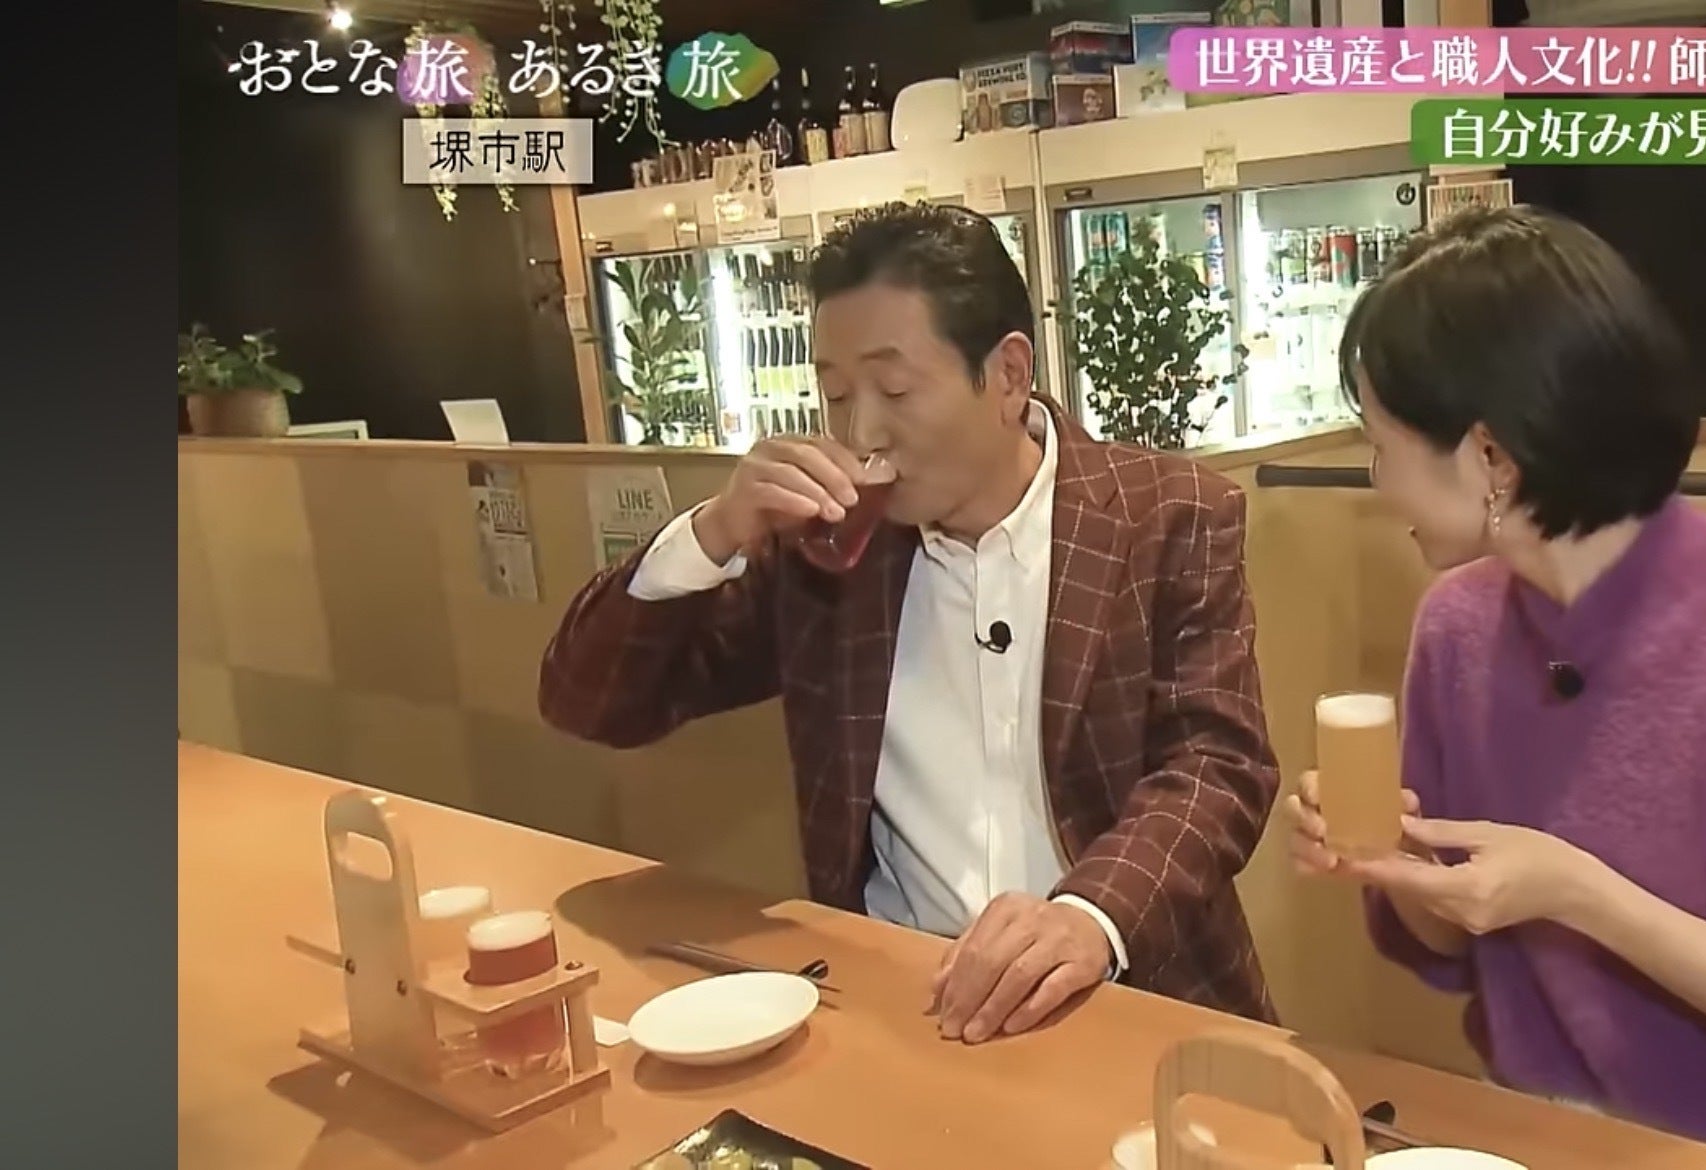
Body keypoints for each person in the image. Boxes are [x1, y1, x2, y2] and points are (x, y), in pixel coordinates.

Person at [1286, 206, 1706, 1170]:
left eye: (1381, 443)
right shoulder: (1459, 628)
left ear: (1491, 458)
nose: (1377, 481)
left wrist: (1578, 893)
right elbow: (1448, 944)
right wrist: (1392, 856)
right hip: (1555, 1141)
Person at [541, 202, 1281, 1042]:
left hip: (1132, 997)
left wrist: (1087, 917)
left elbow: (1219, 766)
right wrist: (713, 533)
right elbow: (592, 703)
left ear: (1008, 376)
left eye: (894, 390)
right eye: (836, 395)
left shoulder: (1170, 515)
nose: (862, 431)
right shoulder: (829, 548)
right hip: (905, 1006)